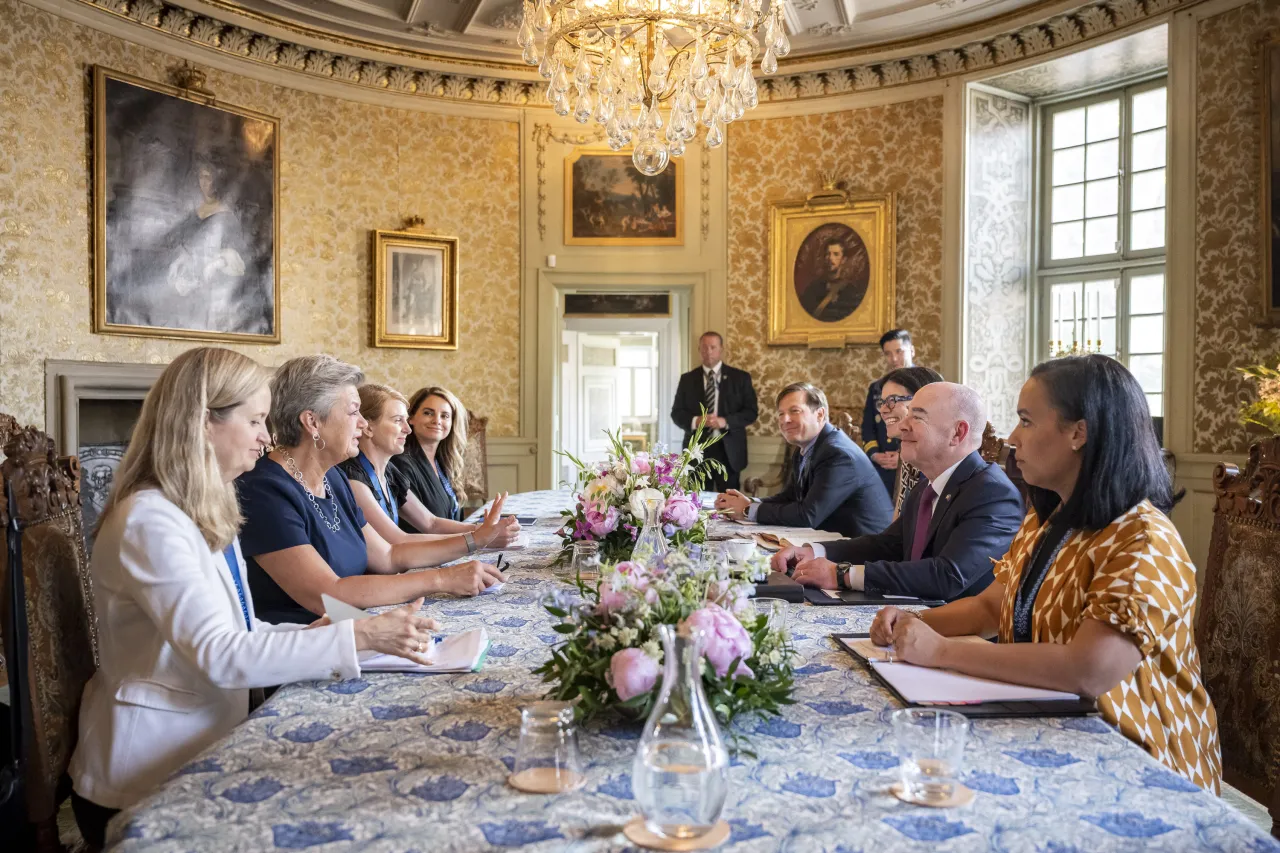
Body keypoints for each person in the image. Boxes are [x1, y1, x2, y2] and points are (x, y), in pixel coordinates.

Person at [69, 348, 437, 846]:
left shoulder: (201, 504)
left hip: (204, 742)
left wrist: (331, 632)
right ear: (203, 423)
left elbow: (242, 628)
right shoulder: (149, 521)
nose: (267, 437)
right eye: (256, 420)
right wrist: (359, 632)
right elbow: (221, 655)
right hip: (148, 776)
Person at [869, 355, 1221, 791]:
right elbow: (991, 605)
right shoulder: (1048, 517)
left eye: (1026, 421)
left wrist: (940, 651)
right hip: (1047, 720)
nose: (1013, 438)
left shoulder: (1142, 538)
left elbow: (1088, 670)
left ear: (1079, 432)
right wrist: (914, 622)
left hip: (1135, 757)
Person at [238, 356, 506, 625]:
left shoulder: (333, 478)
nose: (363, 424)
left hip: (355, 628)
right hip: (305, 644)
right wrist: (440, 579)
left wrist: (473, 542)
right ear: (313, 422)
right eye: (354, 412)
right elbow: (326, 595)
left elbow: (389, 556)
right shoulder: (264, 491)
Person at [778, 382, 1023, 602]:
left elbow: (947, 576)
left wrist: (841, 575)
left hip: (956, 635)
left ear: (957, 433)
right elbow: (888, 545)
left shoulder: (993, 494)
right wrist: (813, 551)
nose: (903, 425)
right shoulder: (928, 485)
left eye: (917, 417)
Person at [337, 383, 520, 566]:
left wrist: (485, 530)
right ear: (367, 427)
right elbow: (397, 540)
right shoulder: (353, 477)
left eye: (405, 420)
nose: (407, 429)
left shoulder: (390, 472)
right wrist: (478, 538)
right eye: (397, 420)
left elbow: (431, 523)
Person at [714, 382, 892, 538]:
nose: (785, 420)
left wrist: (747, 510)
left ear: (820, 414)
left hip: (863, 554)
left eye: (794, 411)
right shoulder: (806, 447)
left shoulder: (838, 454)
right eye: (781, 414)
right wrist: (748, 503)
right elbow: (790, 497)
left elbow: (808, 515)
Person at [670, 331, 759, 490]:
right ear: (699, 349)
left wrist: (725, 421)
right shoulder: (687, 379)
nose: (708, 352)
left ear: (721, 349)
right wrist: (696, 421)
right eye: (704, 348)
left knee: (729, 504)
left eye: (713, 347)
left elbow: (751, 412)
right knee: (696, 503)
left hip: (729, 451)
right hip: (697, 451)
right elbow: (676, 413)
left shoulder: (740, 378)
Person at [394, 386, 469, 527]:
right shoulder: (400, 463)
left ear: (452, 423)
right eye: (428, 413)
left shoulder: (443, 462)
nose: (437, 420)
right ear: (411, 418)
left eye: (445, 416)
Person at [875, 365, 945, 516]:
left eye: (892, 400)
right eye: (882, 402)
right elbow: (898, 522)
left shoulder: (940, 459)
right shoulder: (907, 449)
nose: (883, 410)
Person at [862, 329, 916, 497]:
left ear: (912, 351)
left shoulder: (927, 384)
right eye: (888, 354)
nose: (893, 359)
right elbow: (868, 427)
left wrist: (902, 455)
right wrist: (875, 454)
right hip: (882, 466)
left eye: (899, 351)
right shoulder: (877, 388)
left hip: (916, 465)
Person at [799, 237, 870, 322]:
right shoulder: (813, 288)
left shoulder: (851, 291)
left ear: (843, 260)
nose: (830, 258)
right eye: (827, 254)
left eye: (836, 254)